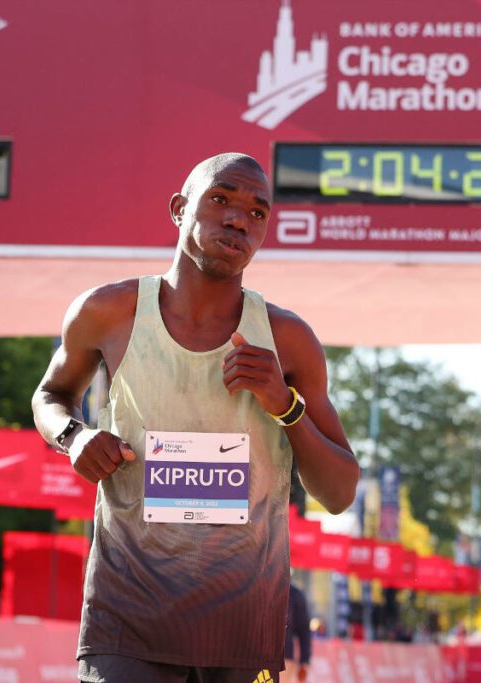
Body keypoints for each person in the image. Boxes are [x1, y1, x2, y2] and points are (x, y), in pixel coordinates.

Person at [32, 153, 359, 683]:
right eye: (221, 198)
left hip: (243, 626)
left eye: (258, 213)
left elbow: (340, 492)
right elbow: (51, 395)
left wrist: (285, 404)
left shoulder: (287, 339)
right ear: (180, 209)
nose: (238, 219)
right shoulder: (108, 311)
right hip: (127, 620)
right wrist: (75, 436)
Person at [281, 581, 312, 682]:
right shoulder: (257, 586)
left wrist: (304, 661)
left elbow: (304, 632)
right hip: (255, 659)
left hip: (284, 659)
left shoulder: (295, 594)